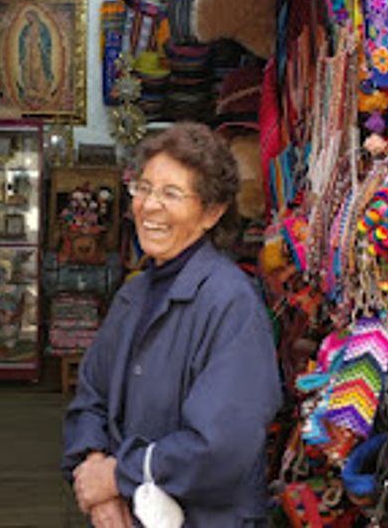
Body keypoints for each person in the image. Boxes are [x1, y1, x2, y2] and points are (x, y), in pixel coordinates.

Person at [62, 122, 281, 528]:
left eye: (171, 194)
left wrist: (117, 476)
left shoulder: (230, 303)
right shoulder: (135, 294)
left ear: (212, 213)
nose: (149, 206)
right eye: (143, 189)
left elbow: (221, 448)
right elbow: (90, 395)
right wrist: (98, 478)